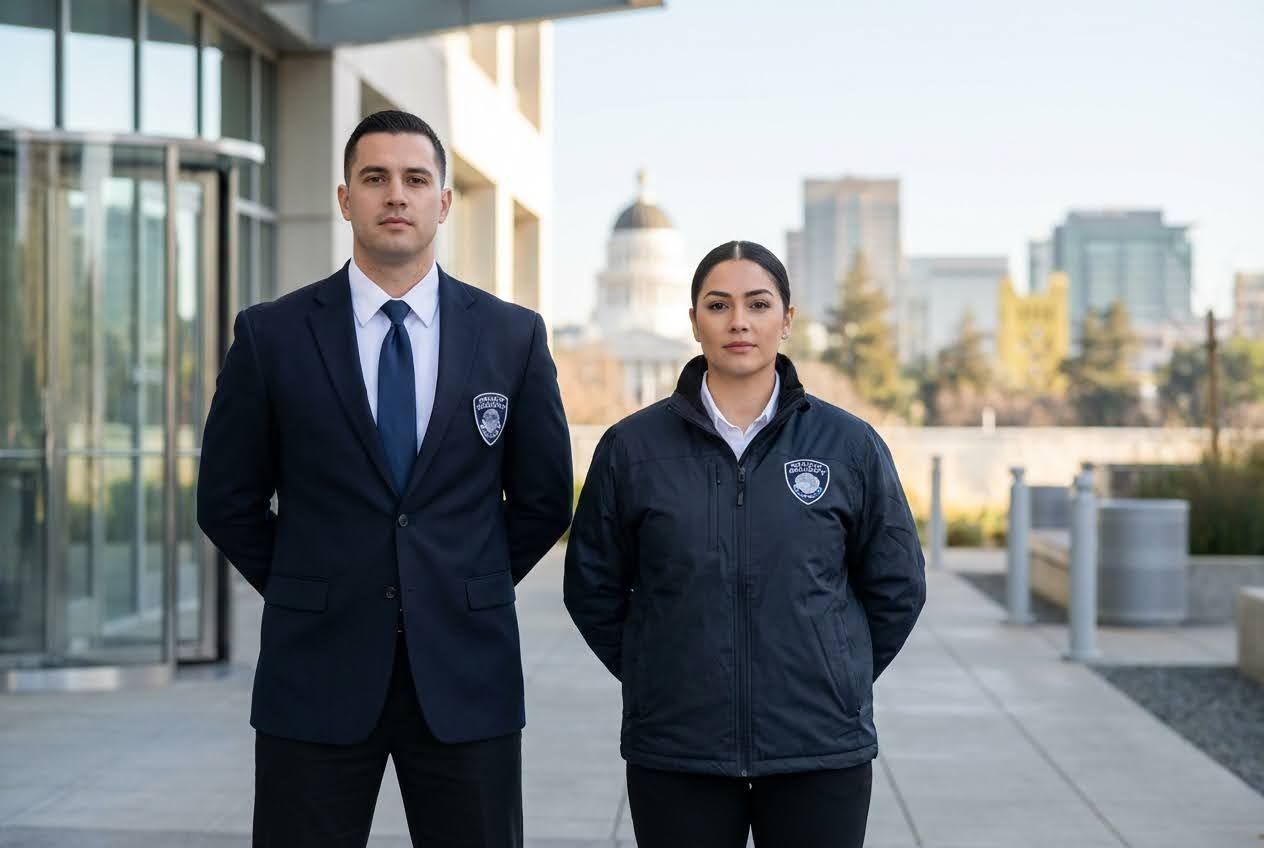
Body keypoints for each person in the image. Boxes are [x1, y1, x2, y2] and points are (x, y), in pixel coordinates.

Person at [197, 110, 572, 847]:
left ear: (443, 202)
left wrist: (463, 577)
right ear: (345, 199)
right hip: (316, 675)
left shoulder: (511, 335)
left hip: (467, 673)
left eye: (414, 179)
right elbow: (227, 498)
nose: (394, 195)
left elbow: (543, 499)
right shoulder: (271, 335)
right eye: (375, 179)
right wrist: (312, 581)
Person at [564, 240, 926, 848]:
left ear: (786, 319)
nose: (739, 321)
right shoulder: (632, 448)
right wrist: (661, 671)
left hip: (818, 745)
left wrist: (837, 670)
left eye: (758, 304)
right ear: (693, 321)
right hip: (679, 748)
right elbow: (592, 586)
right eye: (718, 304)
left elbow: (897, 586)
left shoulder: (849, 445)